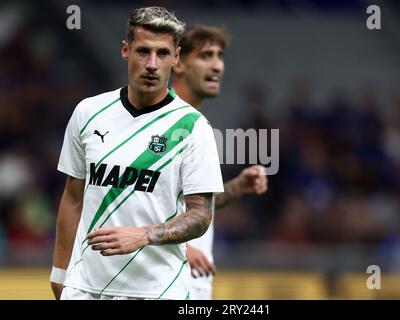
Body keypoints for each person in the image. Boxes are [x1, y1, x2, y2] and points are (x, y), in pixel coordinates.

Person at [50, 7, 223, 300]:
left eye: (163, 53)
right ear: (125, 50)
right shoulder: (88, 113)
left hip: (158, 290)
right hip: (85, 287)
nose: (152, 64)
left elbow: (200, 215)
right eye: (143, 51)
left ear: (176, 58)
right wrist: (60, 273)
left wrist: (143, 235)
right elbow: (73, 197)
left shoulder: (194, 127)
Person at [172, 25, 268, 300]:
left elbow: (191, 205)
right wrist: (179, 249)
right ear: (178, 62)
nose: (217, 66)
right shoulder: (161, 124)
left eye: (220, 55)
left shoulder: (198, 126)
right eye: (205, 56)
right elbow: (132, 200)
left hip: (193, 285)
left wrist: (237, 187)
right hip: (162, 281)